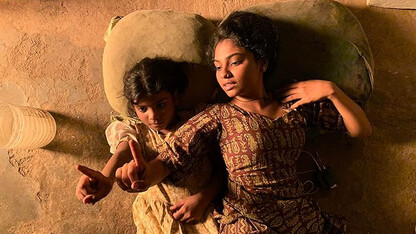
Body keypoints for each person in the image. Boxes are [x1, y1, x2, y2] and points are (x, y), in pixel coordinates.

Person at [115, 11, 372, 233]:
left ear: (262, 62)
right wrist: (142, 175)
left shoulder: (293, 102)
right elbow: (172, 156)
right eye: (217, 67)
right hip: (249, 224)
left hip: (301, 220)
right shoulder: (217, 116)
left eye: (235, 62)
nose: (224, 74)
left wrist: (330, 90)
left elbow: (361, 129)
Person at [75, 57, 223, 233]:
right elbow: (125, 149)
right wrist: (107, 176)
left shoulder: (196, 122)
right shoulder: (134, 131)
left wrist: (203, 198)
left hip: (202, 212)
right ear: (134, 108)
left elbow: (223, 168)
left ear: (175, 97)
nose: (153, 116)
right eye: (143, 109)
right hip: (156, 221)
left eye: (161, 105)